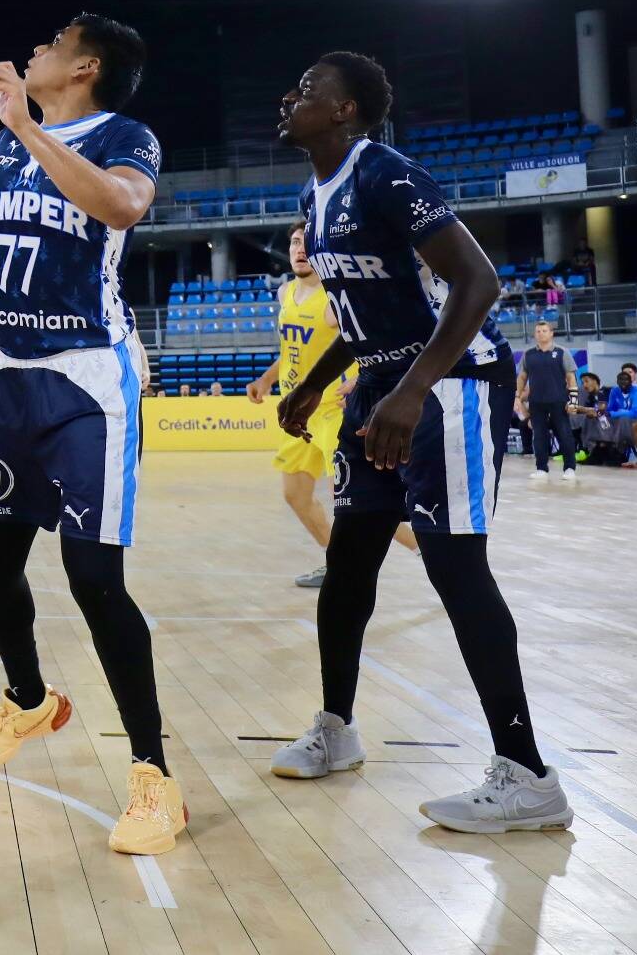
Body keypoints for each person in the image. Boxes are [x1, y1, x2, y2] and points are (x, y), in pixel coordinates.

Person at [0, 13, 186, 858]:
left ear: (84, 65)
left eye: (51, 43)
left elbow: (125, 205)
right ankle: (29, 698)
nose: (34, 49)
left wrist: (27, 124)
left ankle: (153, 777)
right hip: (11, 373)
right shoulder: (4, 147)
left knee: (94, 579)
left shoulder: (125, 134)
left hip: (90, 377)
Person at [268, 52, 569, 833]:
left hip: (453, 381)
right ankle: (337, 728)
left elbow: (478, 282)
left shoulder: (386, 174)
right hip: (383, 382)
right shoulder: (316, 191)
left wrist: (410, 390)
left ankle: (527, 773)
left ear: (345, 111)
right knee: (349, 564)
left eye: (308, 91)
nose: (290, 99)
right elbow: (365, 313)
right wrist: (313, 383)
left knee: (455, 564)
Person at [248, 223, 415, 589]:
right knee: (294, 494)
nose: (300, 249)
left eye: (308, 243)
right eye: (294, 242)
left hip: (333, 412)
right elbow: (292, 352)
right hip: (297, 413)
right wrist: (266, 379)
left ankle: (429, 550)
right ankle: (336, 564)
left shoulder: (337, 299)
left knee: (363, 503)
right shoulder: (285, 294)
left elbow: (372, 340)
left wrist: (362, 376)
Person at [514, 320, 580, 482]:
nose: (541, 334)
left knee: (565, 435)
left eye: (544, 331)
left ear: (551, 333)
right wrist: (517, 397)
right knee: (539, 436)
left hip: (558, 401)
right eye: (538, 331)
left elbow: (571, 377)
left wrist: (573, 401)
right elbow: (522, 377)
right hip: (536, 402)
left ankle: (570, 468)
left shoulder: (562, 352)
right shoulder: (528, 354)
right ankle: (541, 468)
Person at [604, 364, 637, 465]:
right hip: (625, 420)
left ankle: (620, 451)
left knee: (623, 419)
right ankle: (599, 449)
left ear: (634, 376)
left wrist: (614, 413)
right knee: (602, 419)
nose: (624, 380)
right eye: (623, 375)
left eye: (629, 373)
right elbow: (610, 409)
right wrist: (605, 413)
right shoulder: (614, 391)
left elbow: (636, 412)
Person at [573, 372, 614, 461]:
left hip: (613, 422)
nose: (584, 385)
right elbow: (588, 411)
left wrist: (584, 409)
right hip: (597, 424)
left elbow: (602, 410)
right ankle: (586, 449)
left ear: (595, 381)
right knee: (582, 418)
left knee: (597, 417)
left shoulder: (607, 391)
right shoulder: (590, 397)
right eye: (583, 383)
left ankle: (595, 449)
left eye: (586, 381)